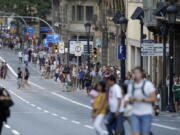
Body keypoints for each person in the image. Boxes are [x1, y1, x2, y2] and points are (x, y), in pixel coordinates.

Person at [127, 67, 156, 135]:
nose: (135, 75)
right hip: (134, 113)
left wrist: (143, 99)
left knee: (144, 133)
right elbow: (129, 99)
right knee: (135, 133)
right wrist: (132, 99)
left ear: (141, 74)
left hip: (146, 113)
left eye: (137, 73)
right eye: (134, 73)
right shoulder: (131, 85)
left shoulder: (148, 84)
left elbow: (153, 98)